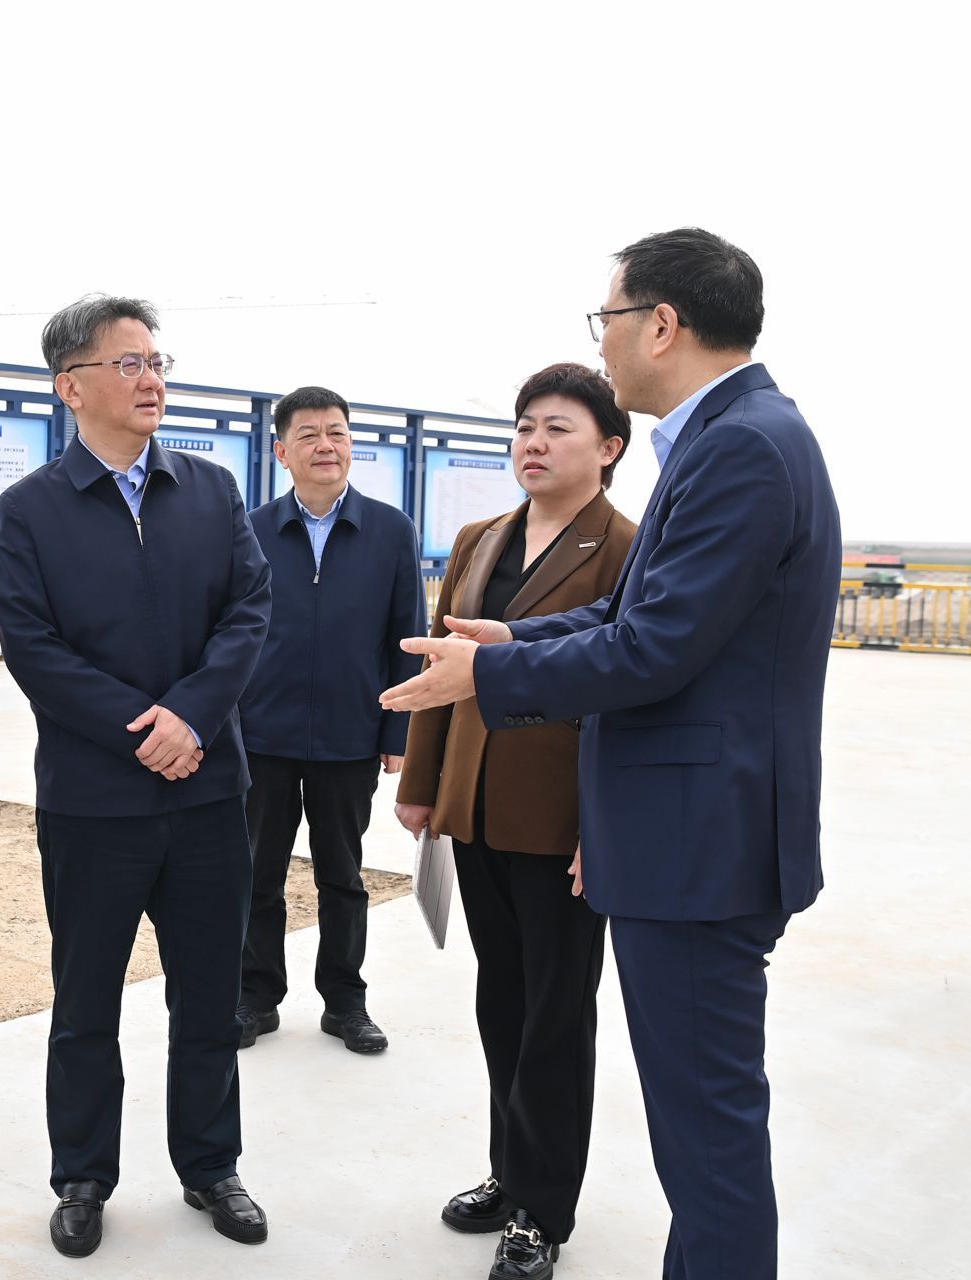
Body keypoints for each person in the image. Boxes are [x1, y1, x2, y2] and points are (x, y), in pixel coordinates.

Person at [383, 229, 840, 1280]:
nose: (606, 341)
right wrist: (511, 640)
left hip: (698, 847)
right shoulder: (732, 436)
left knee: (708, 1141)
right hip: (691, 841)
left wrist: (489, 675)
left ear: (662, 325)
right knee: (700, 1132)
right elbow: (641, 617)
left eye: (610, 318)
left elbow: (655, 647)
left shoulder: (741, 446)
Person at [0, 295, 272, 1258]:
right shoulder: (30, 510)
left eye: (156, 362)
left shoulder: (212, 491)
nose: (151, 380)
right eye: (128, 364)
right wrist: (142, 731)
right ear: (70, 387)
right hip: (93, 801)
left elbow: (248, 613)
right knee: (85, 1004)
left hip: (207, 790)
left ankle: (211, 1165)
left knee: (209, 996)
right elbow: (33, 647)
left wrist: (192, 716)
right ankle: (82, 1176)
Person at [393, 362, 637, 1280]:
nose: (534, 443)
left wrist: (604, 825)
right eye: (526, 426)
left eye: (558, 428)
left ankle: (544, 1209)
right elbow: (441, 668)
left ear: (608, 449)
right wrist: (424, 783)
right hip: (476, 808)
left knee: (555, 1018)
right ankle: (509, 1171)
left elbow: (628, 695)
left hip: (563, 821)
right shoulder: (480, 539)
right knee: (502, 1001)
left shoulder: (626, 547)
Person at [235, 385, 422, 1055]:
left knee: (343, 875)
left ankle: (345, 1002)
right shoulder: (250, 531)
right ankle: (255, 997)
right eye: (309, 434)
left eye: (337, 432)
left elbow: (407, 637)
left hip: (349, 735)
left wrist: (398, 732)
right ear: (281, 451)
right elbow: (223, 633)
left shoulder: (391, 530)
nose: (325, 445)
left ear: (351, 444)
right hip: (261, 736)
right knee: (256, 873)